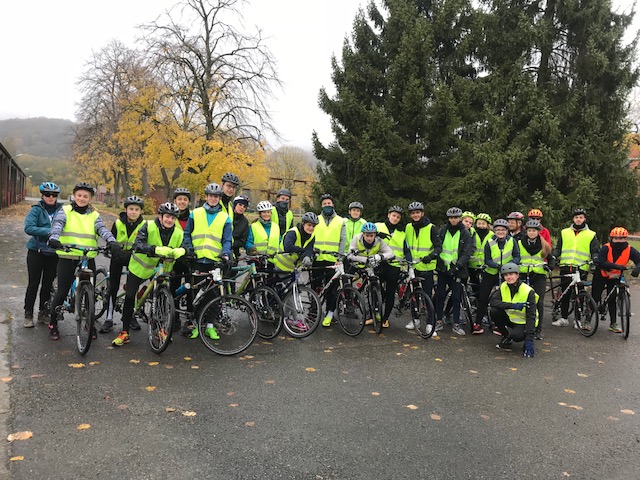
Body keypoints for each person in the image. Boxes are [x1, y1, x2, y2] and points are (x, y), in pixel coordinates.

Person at [47, 182, 120, 341]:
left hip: (88, 257)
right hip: (68, 257)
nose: (81, 198)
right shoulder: (65, 210)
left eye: (85, 196)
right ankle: (53, 322)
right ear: (74, 196)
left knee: (90, 294)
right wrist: (54, 238)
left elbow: (102, 229)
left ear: (90, 198)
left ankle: (90, 323)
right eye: (79, 195)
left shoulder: (94, 214)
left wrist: (112, 241)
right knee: (62, 291)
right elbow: (58, 225)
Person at [112, 203, 185, 347]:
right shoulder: (148, 226)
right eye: (167, 217)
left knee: (161, 299)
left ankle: (160, 329)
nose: (170, 220)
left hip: (161, 269)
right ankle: (125, 331)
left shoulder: (178, 232)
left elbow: (186, 246)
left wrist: (183, 251)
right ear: (161, 216)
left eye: (172, 218)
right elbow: (137, 244)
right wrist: (154, 249)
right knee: (130, 295)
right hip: (140, 267)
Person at [182, 182, 233, 339]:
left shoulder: (225, 217)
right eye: (211, 196)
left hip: (214, 262)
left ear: (219, 198)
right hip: (198, 260)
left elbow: (227, 240)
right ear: (206, 197)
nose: (213, 199)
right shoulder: (195, 213)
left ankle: (210, 326)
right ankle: (197, 325)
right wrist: (188, 247)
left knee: (213, 296)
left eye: (216, 196)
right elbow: (187, 233)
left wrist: (225, 254)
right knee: (197, 295)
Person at [99, 195, 146, 333]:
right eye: (131, 209)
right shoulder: (118, 223)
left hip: (134, 258)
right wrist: (112, 250)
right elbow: (111, 239)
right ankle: (109, 318)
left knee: (132, 289)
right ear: (126, 209)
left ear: (140, 211)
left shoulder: (144, 225)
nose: (133, 212)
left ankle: (129, 315)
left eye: (136, 209)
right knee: (113, 287)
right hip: (118, 257)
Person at [550, 208, 600, 327]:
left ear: (584, 219)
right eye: (576, 217)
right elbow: (559, 247)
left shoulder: (591, 234)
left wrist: (595, 259)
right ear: (573, 219)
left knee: (580, 294)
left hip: (581, 268)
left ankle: (577, 319)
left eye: (581, 217)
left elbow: (595, 251)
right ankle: (564, 318)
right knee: (565, 293)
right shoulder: (565, 232)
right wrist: (554, 256)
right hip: (566, 266)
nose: (578, 219)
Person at [23, 182, 62, 328]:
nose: (51, 197)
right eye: (47, 195)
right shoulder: (36, 210)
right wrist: (50, 232)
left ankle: (43, 313)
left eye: (54, 195)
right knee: (33, 284)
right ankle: (28, 314)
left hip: (53, 253)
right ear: (42, 195)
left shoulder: (62, 210)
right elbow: (29, 227)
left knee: (47, 284)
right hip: (36, 252)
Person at [474, 218, 520, 335]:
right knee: (483, 297)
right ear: (494, 231)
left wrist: (509, 265)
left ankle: (501, 324)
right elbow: (487, 259)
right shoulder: (489, 242)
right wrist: (496, 265)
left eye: (503, 230)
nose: (500, 232)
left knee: (504, 299)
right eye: (498, 230)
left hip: (506, 273)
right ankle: (478, 322)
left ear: (507, 231)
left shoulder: (512, 241)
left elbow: (517, 256)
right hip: (491, 272)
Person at [592, 227, 640, 333]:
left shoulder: (629, 249)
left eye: (621, 238)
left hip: (615, 277)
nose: (618, 241)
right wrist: (617, 266)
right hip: (601, 274)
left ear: (625, 239)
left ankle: (613, 323)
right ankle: (587, 320)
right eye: (616, 238)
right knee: (595, 297)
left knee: (612, 299)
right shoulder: (606, 248)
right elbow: (601, 262)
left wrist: (637, 268)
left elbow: (638, 259)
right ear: (612, 238)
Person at [347, 222, 394, 326]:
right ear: (363, 234)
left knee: (374, 286)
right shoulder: (356, 238)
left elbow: (390, 253)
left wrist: (381, 257)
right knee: (347, 279)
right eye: (367, 235)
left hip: (371, 267)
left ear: (375, 235)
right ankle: (349, 300)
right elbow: (349, 255)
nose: (369, 238)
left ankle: (374, 310)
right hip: (357, 264)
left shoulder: (379, 241)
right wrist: (364, 259)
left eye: (371, 235)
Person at [435, 207, 473, 335]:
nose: (453, 220)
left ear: (460, 218)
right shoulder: (443, 230)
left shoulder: (465, 233)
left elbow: (466, 252)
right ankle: (438, 321)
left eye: (456, 217)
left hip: (457, 270)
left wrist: (457, 266)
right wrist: (440, 263)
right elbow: (438, 246)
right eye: (451, 218)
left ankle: (456, 323)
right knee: (440, 296)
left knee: (456, 297)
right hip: (443, 268)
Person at [404, 202, 442, 330]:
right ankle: (415, 319)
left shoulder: (431, 227)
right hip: (413, 267)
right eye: (413, 213)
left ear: (422, 213)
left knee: (427, 297)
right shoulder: (408, 227)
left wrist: (430, 257)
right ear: (410, 215)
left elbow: (438, 247)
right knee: (413, 296)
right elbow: (406, 245)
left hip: (426, 267)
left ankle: (430, 323)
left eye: (417, 212)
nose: (415, 215)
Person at [312, 194, 346, 327]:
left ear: (333, 205)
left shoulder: (340, 220)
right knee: (315, 287)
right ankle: (314, 310)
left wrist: (340, 257)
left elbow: (343, 240)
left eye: (329, 203)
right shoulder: (316, 219)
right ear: (321, 205)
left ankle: (330, 313)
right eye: (325, 203)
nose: (327, 205)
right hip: (318, 258)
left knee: (332, 289)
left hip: (333, 261)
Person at [490, 263, 538, 357]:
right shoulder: (503, 286)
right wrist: (512, 306)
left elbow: (531, 316)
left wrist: (529, 341)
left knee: (516, 336)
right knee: (493, 311)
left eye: (511, 274)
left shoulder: (528, 291)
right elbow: (493, 302)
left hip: (524, 322)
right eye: (506, 275)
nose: (509, 277)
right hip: (511, 319)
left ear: (517, 275)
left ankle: (520, 337)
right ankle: (506, 335)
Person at [375, 205, 412, 328]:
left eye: (398, 217)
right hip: (379, 264)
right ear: (388, 215)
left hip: (394, 266)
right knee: (376, 290)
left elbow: (406, 250)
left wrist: (410, 263)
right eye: (393, 215)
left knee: (390, 293)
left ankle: (385, 318)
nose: (395, 218)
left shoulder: (402, 233)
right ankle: (374, 313)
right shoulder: (378, 226)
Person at [518, 219, 552, 340]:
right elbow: (516, 256)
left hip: (538, 275)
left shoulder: (544, 244)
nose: (532, 233)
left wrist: (550, 266)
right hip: (523, 273)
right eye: (530, 231)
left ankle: (538, 329)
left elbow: (551, 258)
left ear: (538, 232)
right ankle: (521, 325)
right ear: (526, 231)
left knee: (539, 302)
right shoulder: (520, 243)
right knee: (522, 300)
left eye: (534, 231)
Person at [468, 213, 494, 296]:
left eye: (483, 223)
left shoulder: (492, 235)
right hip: (472, 265)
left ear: (487, 225)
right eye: (479, 223)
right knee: (474, 287)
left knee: (483, 289)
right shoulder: (472, 232)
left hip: (485, 266)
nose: (481, 226)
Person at [231, 194, 250, 259]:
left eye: (244, 206)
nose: (242, 207)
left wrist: (232, 244)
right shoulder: (226, 216)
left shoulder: (244, 222)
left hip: (234, 252)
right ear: (235, 205)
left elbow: (242, 240)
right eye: (240, 205)